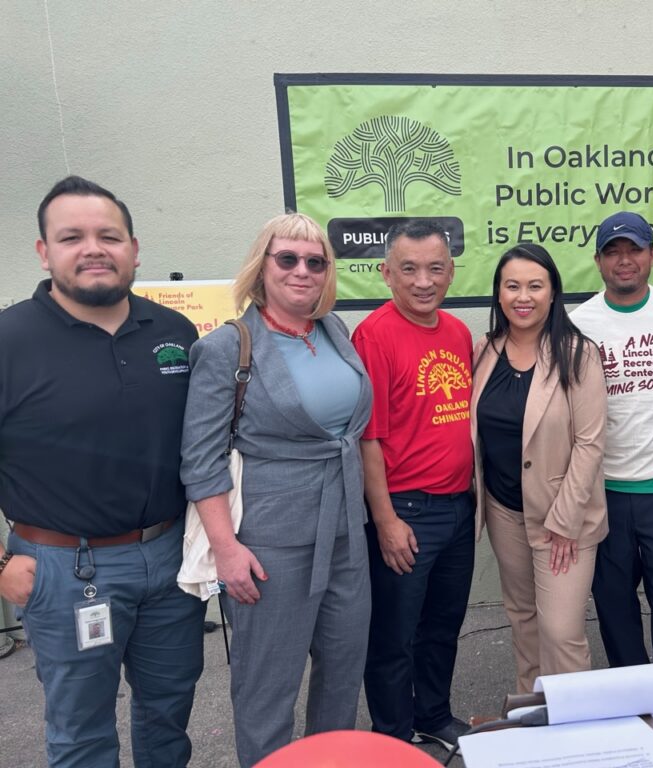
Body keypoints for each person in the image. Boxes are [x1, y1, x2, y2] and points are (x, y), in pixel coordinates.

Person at [0, 175, 205, 767]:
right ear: (44, 251)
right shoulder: (11, 340)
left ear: (134, 249)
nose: (93, 248)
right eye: (72, 237)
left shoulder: (172, 333)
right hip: (64, 567)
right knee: (81, 731)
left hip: (170, 561)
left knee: (169, 712)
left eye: (108, 236)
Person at [180, 213, 372, 766]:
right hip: (271, 544)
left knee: (341, 672)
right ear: (261, 267)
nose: (302, 271)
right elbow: (201, 460)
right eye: (287, 259)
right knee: (268, 687)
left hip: (344, 535)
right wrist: (226, 549)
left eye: (316, 262)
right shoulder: (226, 348)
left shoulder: (333, 331)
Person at [353, 219, 474, 749]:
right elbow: (368, 439)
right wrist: (385, 520)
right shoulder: (374, 335)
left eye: (435, 269)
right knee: (394, 637)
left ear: (450, 273)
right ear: (386, 274)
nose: (423, 281)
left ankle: (434, 714)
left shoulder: (457, 332)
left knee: (442, 626)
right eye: (409, 269)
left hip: (458, 509)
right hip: (406, 510)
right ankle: (393, 737)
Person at [570, 212, 653, 666]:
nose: (624, 260)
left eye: (634, 249)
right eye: (613, 251)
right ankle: (631, 703)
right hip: (603, 492)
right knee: (614, 610)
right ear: (597, 261)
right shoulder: (576, 325)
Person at [471, 243, 608, 692]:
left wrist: (565, 522)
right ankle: (534, 712)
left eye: (535, 285)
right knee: (523, 620)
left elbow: (590, 444)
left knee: (561, 633)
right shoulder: (485, 352)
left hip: (562, 519)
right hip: (504, 510)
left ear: (553, 293)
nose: (522, 296)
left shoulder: (578, 354)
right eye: (512, 286)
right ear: (498, 293)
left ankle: (577, 730)